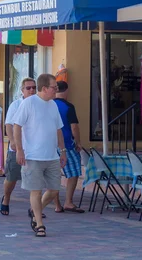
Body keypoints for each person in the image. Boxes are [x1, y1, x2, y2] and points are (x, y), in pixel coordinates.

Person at [13, 73, 66, 238]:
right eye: (54, 87)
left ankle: (35, 211)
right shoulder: (29, 103)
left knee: (54, 190)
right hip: (33, 156)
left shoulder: (53, 105)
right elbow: (16, 126)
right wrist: (20, 150)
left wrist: (62, 151)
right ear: (45, 88)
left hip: (52, 156)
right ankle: (39, 223)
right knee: (35, 191)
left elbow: (59, 129)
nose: (56, 90)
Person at [1, 78, 36, 216]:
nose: (32, 90)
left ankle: (35, 208)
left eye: (34, 87)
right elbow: (9, 124)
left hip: (34, 148)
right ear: (22, 90)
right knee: (12, 178)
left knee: (35, 180)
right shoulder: (16, 105)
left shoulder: (40, 104)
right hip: (17, 148)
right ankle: (6, 198)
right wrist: (13, 142)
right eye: (28, 88)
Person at [53, 81, 85, 213]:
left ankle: (57, 204)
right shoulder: (68, 107)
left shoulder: (50, 105)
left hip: (50, 144)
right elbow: (74, 127)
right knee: (73, 172)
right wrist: (78, 142)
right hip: (66, 144)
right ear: (66, 90)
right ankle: (68, 201)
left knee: (53, 175)